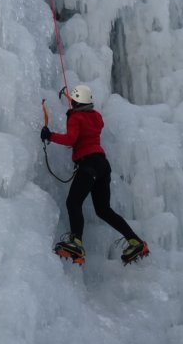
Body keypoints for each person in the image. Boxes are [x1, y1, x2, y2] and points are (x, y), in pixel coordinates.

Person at [41, 85, 149, 265]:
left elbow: (71, 139)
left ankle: (76, 242)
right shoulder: (96, 117)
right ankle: (135, 241)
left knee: (73, 202)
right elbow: (85, 130)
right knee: (103, 210)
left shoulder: (76, 117)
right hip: (102, 165)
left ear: (75, 102)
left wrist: (49, 135)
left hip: (88, 165)